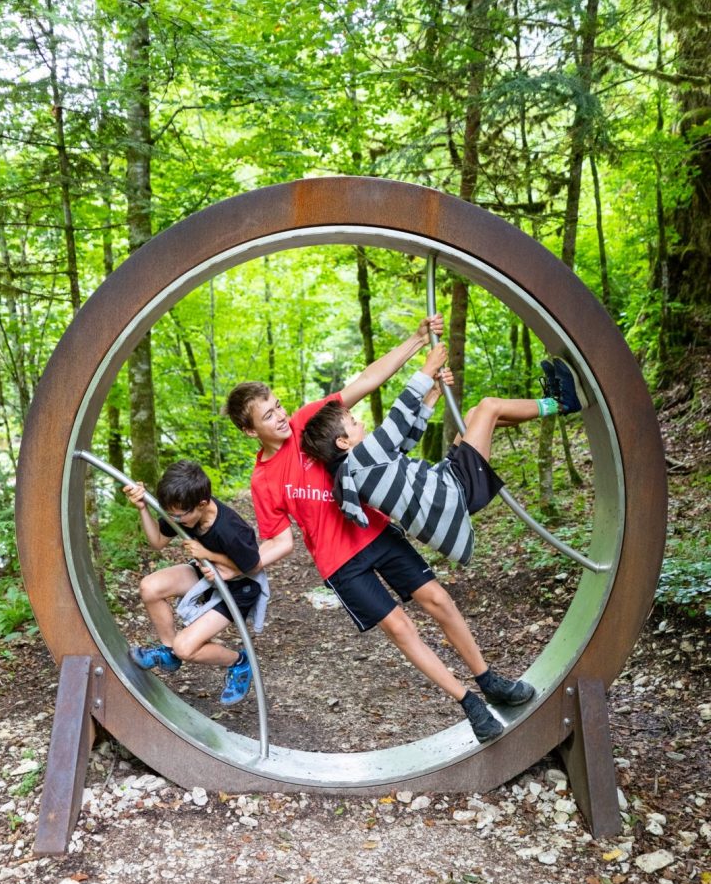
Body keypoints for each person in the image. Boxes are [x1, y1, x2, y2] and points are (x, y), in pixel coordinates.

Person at [225, 316, 536, 744]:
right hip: (340, 564)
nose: (280, 416)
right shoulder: (262, 480)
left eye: (278, 405)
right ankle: (469, 703)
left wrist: (416, 340)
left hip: (376, 533)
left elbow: (367, 381)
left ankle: (489, 679)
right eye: (267, 415)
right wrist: (239, 567)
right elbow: (280, 541)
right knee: (400, 628)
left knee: (438, 600)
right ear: (249, 430)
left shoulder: (307, 422)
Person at [300, 347, 587, 567]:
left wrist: (434, 394)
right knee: (488, 407)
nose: (361, 423)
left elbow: (407, 439)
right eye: (353, 423)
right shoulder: (360, 459)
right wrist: (427, 369)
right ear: (343, 442)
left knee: (474, 416)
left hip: (447, 479)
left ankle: (553, 401)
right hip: (453, 490)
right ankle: (562, 403)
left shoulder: (358, 471)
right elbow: (399, 418)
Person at [123, 460, 265, 706]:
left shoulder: (230, 529)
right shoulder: (181, 508)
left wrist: (208, 554)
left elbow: (253, 566)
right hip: (206, 575)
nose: (175, 520)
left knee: (186, 648)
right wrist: (143, 508)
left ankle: (239, 662)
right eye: (171, 515)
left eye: (179, 516)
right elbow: (157, 542)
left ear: (202, 504)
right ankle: (168, 652)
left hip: (238, 587)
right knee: (150, 587)